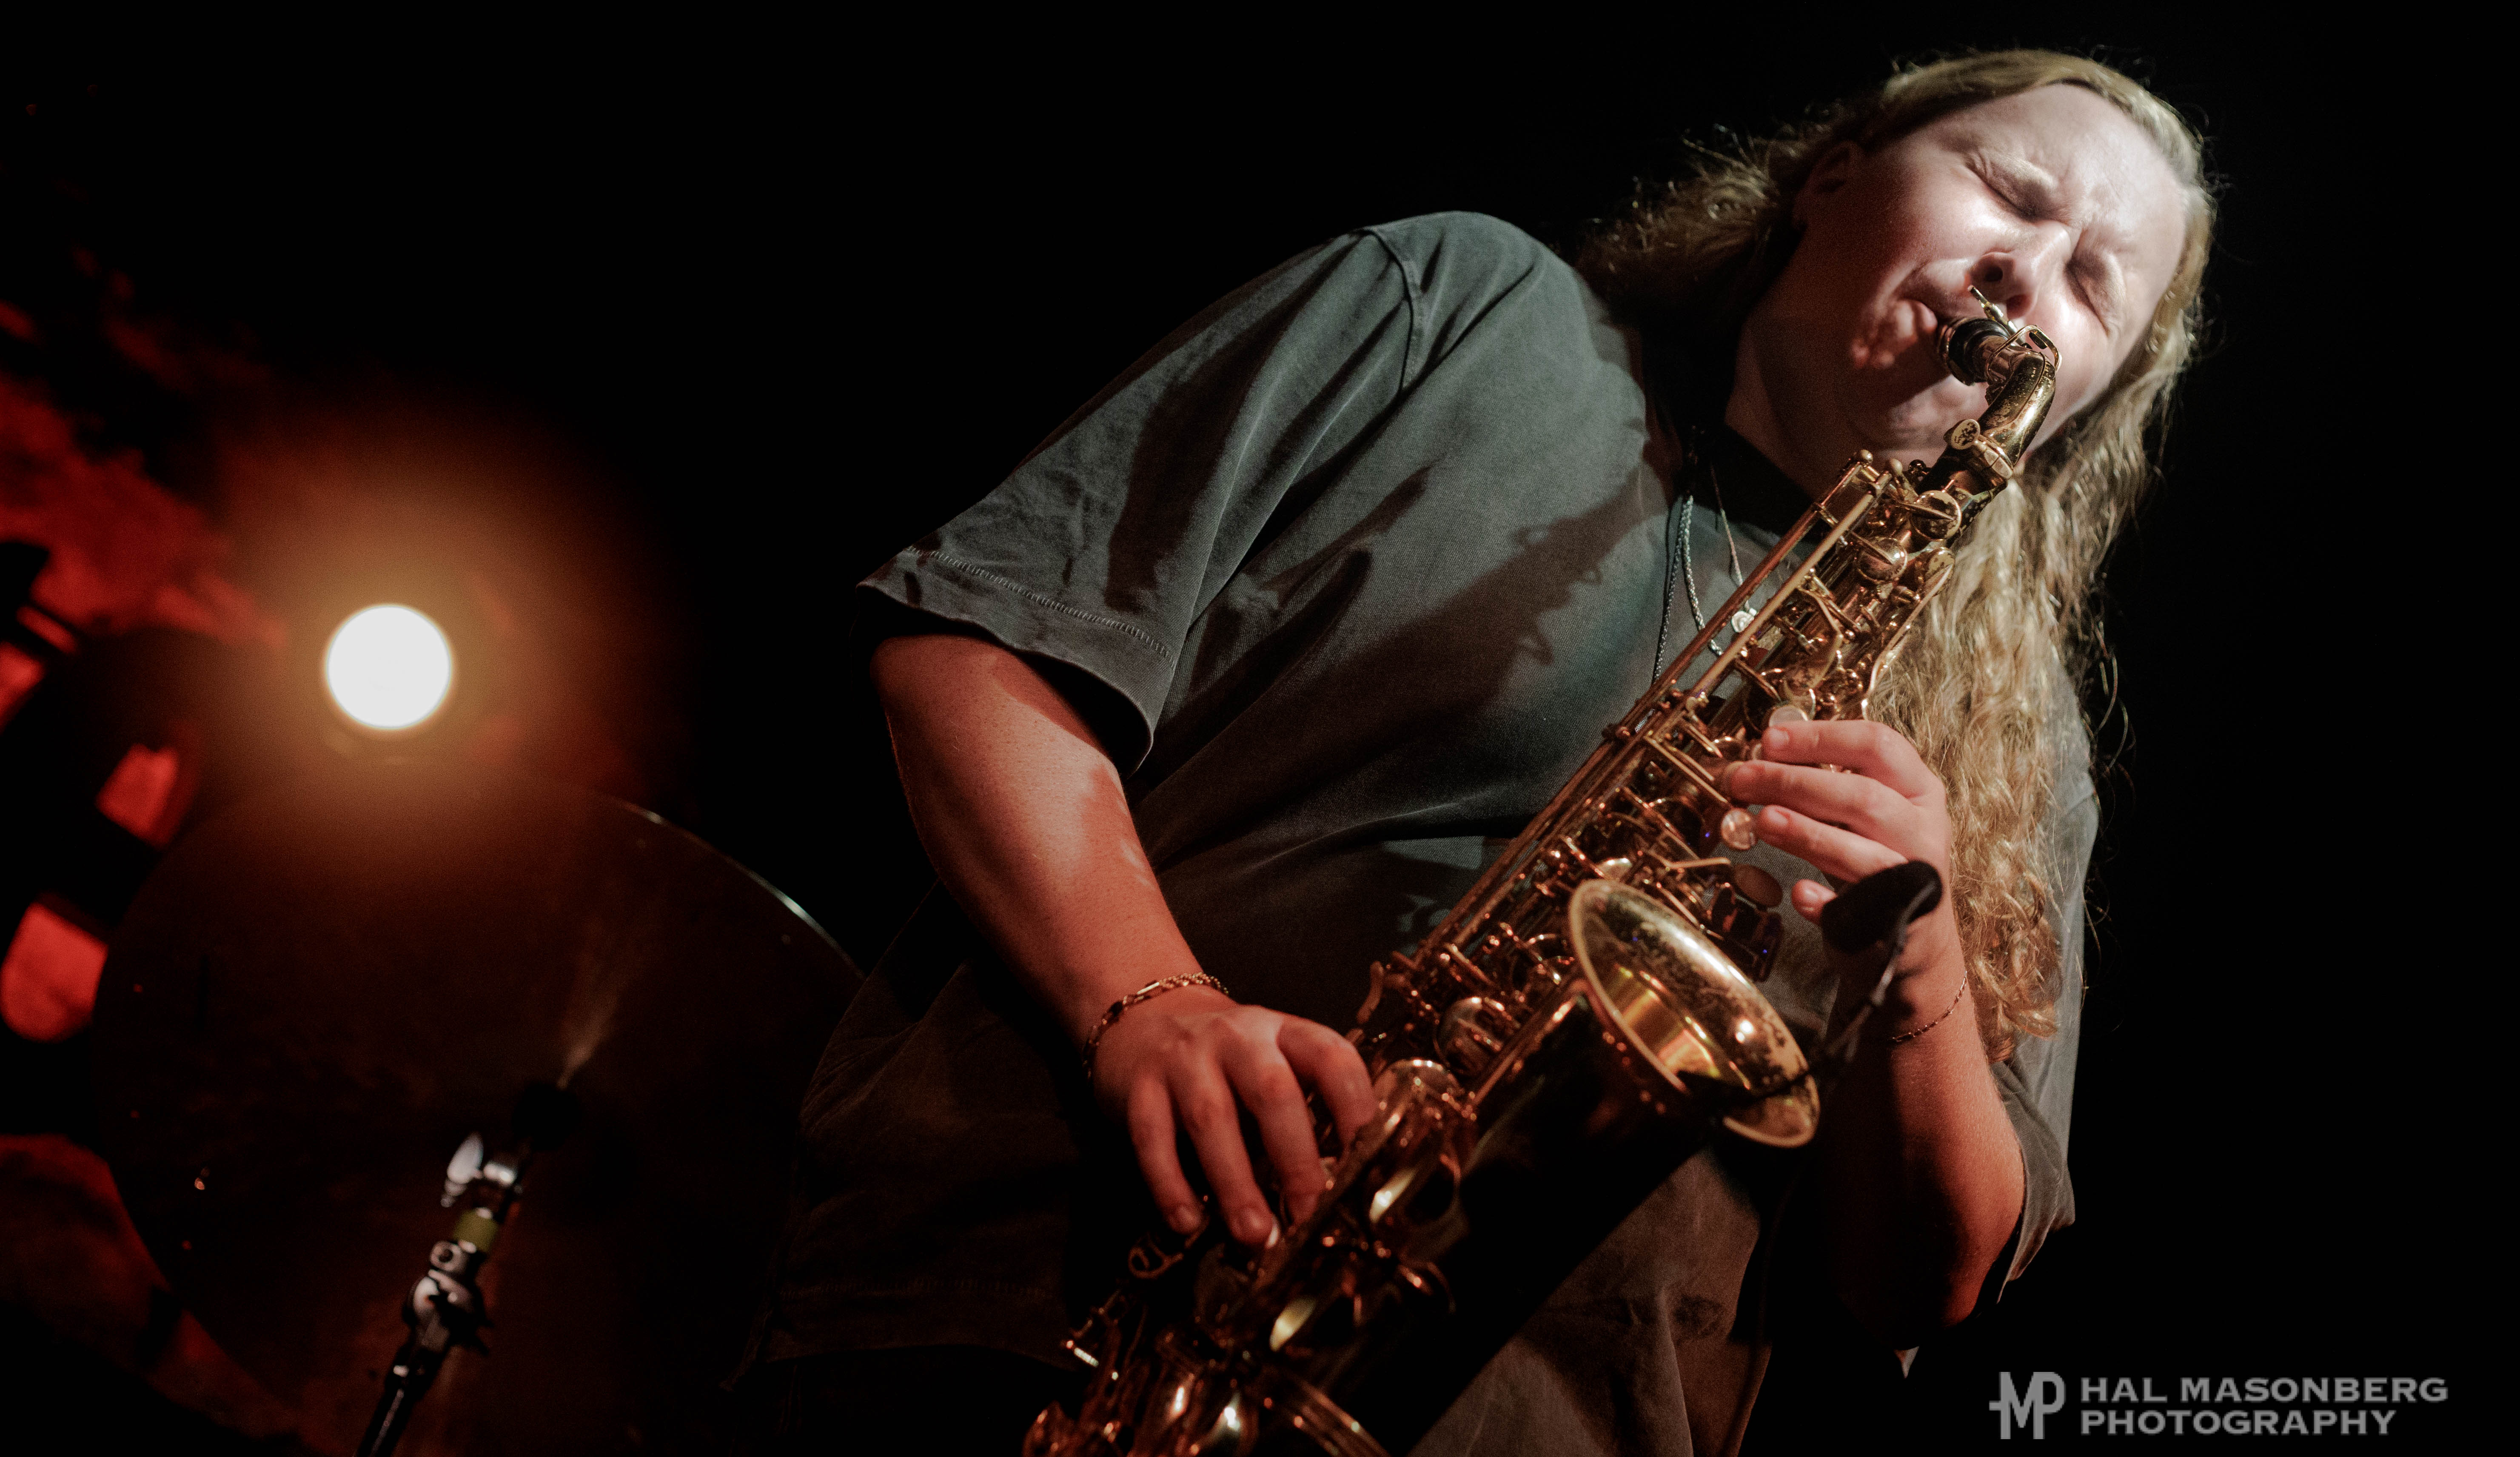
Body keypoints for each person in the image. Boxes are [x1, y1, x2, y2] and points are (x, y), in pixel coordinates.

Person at [743, 50, 2211, 1454]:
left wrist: (1922, 961)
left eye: (2094, 283)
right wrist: (1149, 1001)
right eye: (2009, 191)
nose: (2029, 273)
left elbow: (1927, 1283)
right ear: (1831, 177)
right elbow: (978, 649)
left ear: (2079, 407)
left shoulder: (2019, 742)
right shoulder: (1463, 301)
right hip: (1044, 1304)